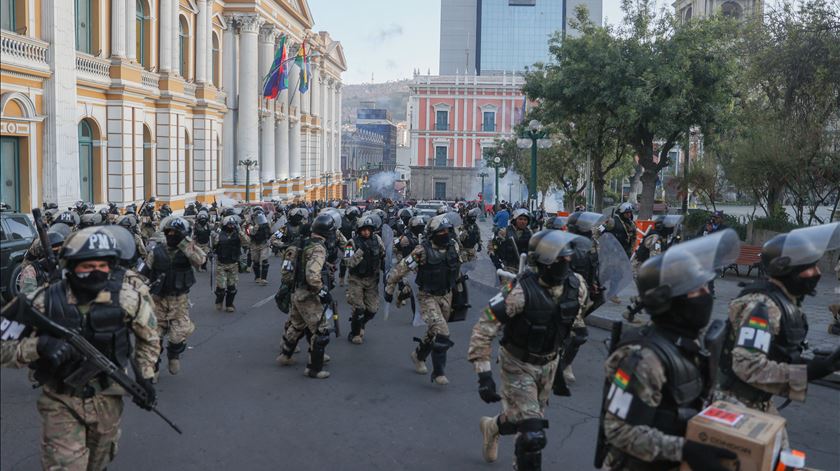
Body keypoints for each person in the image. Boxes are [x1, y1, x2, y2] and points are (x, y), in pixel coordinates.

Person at [1, 227, 160, 471]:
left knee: (99, 462)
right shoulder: (43, 301)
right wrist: (39, 346)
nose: (96, 272)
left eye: (102, 266)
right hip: (60, 399)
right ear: (70, 266)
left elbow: (149, 337)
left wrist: (146, 376)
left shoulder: (128, 298)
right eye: (87, 266)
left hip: (109, 398)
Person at [598, 229, 741, 471]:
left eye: (705, 287)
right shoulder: (642, 358)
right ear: (667, 301)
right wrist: (684, 449)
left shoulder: (690, 344)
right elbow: (617, 430)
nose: (706, 296)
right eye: (696, 290)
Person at [468, 230, 589, 470]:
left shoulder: (577, 286)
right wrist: (483, 374)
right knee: (532, 434)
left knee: (520, 419)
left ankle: (492, 427)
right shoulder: (518, 291)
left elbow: (572, 314)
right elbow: (484, 328)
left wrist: (575, 326)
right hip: (517, 363)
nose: (565, 265)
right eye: (559, 260)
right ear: (543, 264)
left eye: (567, 259)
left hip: (549, 363)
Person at [716, 223, 840, 445]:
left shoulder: (784, 302)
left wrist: (820, 361)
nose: (817, 273)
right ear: (785, 269)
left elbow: (777, 350)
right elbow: (748, 366)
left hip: (756, 401)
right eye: (809, 266)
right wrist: (806, 372)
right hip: (736, 406)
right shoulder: (762, 307)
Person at [385, 214, 461, 385]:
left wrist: (459, 291)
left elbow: (457, 268)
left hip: (446, 294)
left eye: (447, 230)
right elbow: (402, 268)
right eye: (441, 231)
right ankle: (439, 372)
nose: (445, 234)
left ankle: (419, 355)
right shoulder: (422, 251)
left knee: (434, 330)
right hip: (427, 296)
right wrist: (390, 287)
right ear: (433, 233)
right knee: (442, 332)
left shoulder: (453, 246)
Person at [144, 217, 206, 378]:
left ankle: (174, 355)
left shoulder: (187, 250)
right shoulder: (156, 251)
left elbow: (200, 260)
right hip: (158, 300)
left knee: (177, 336)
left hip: (179, 301)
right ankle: (154, 369)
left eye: (175, 233)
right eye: (169, 232)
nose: (171, 235)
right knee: (154, 339)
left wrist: (185, 244)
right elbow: (143, 272)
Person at [276, 213, 335, 379]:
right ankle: (314, 368)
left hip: (297, 291)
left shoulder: (302, 242)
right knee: (321, 330)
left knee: (297, 325)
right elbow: (311, 274)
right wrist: (322, 291)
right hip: (308, 294)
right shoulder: (317, 248)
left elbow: (288, 268)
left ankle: (285, 355)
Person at [562, 211, 608, 384]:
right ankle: (560, 364)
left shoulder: (591, 245)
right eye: (585, 224)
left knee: (578, 335)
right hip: (566, 293)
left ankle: (565, 363)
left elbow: (593, 266)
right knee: (572, 332)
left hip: (584, 292)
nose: (589, 227)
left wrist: (595, 282)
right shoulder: (564, 243)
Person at [345, 214, 386, 344]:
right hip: (356, 279)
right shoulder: (352, 243)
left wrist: (386, 265)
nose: (366, 232)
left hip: (372, 279)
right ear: (359, 231)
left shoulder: (377, 240)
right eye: (363, 230)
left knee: (372, 310)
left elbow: (383, 253)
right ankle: (355, 333)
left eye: (368, 229)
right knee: (359, 308)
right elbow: (348, 262)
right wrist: (360, 252)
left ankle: (361, 323)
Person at [212, 216, 250, 312]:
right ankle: (219, 301)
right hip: (221, 264)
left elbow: (247, 242)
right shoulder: (219, 235)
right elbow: (213, 247)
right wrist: (211, 252)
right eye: (229, 224)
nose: (231, 226)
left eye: (232, 224)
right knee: (221, 287)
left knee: (232, 287)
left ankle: (229, 305)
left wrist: (240, 231)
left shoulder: (238, 234)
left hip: (233, 264)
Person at [18, 229, 66, 296]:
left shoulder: (66, 264)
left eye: (60, 248)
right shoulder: (31, 269)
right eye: (55, 249)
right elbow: (27, 297)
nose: (58, 252)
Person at [491, 209, 533, 276]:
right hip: (507, 266)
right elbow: (492, 245)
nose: (523, 222)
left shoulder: (529, 233)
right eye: (520, 219)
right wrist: (495, 258)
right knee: (508, 285)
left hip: (523, 267)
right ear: (515, 220)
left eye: (525, 220)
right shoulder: (504, 231)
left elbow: (533, 249)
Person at [248, 209, 272, 285]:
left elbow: (270, 232)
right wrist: (256, 226)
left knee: (265, 261)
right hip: (254, 245)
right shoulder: (251, 225)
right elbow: (251, 233)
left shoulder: (266, 224)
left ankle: (264, 279)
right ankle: (257, 277)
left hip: (264, 244)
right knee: (256, 261)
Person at [338, 206, 360, 286]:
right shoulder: (341, 220)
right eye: (352, 214)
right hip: (344, 243)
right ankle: (342, 278)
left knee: (353, 263)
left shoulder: (356, 220)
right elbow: (339, 232)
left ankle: (350, 280)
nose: (353, 216)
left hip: (354, 243)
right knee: (344, 262)